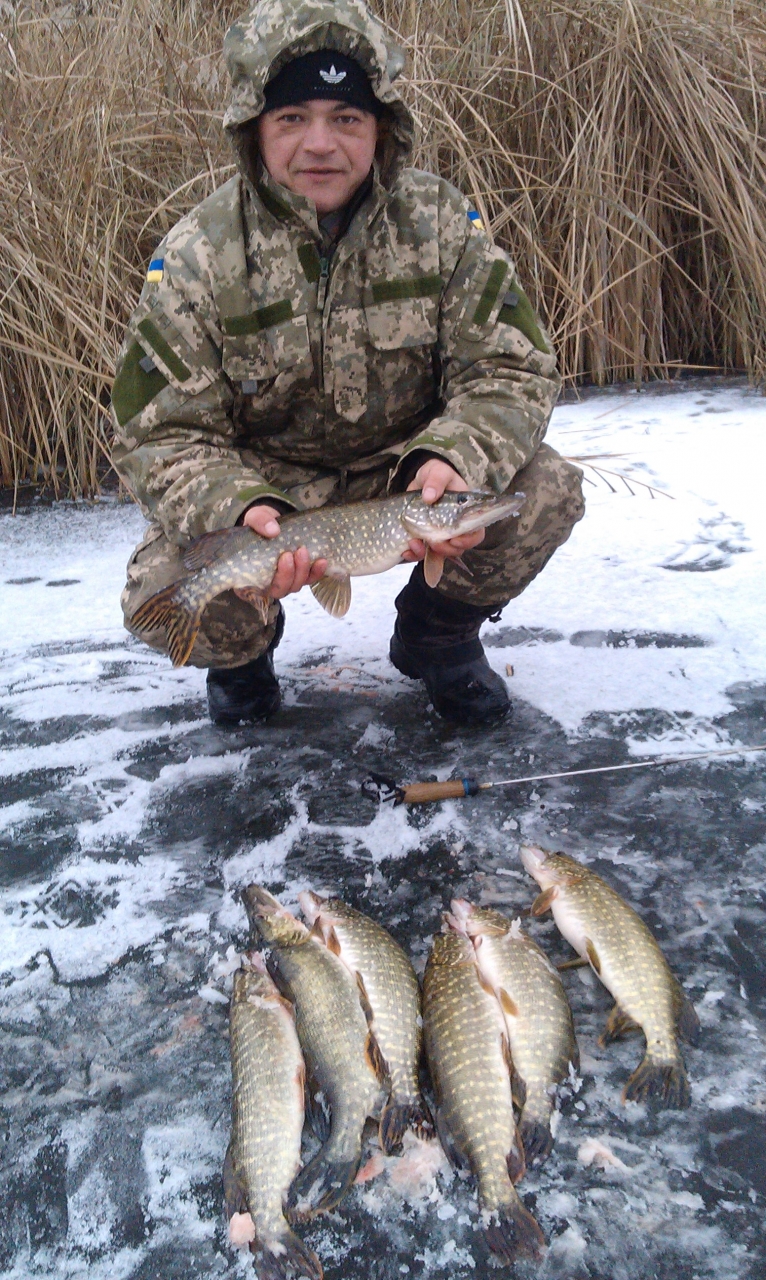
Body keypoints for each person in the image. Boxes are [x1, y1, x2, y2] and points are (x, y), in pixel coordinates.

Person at [111, 0, 584, 727]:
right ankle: (242, 660)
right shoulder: (197, 257)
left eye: (348, 118)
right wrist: (241, 509)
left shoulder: (438, 225)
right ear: (254, 131)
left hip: (409, 481)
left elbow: (510, 371)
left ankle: (436, 639)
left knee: (543, 490)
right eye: (292, 118)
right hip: (269, 500)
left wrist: (453, 457)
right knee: (163, 588)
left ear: (381, 130)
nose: (320, 144)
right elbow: (161, 434)